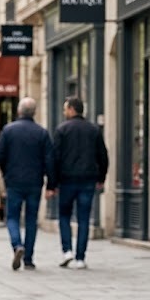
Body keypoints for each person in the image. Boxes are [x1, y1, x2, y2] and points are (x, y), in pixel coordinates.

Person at [0, 97, 55, 271]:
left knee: (12, 216)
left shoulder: (8, 130)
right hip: (35, 182)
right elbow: (50, 160)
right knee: (31, 219)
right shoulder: (41, 133)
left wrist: (7, 171)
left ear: (19, 111)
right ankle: (28, 258)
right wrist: (50, 183)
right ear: (34, 113)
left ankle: (16, 245)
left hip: (14, 181)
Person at [52, 96, 109, 269]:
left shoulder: (62, 130)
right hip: (88, 180)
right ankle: (80, 258)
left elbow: (55, 158)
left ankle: (67, 250)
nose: (64, 112)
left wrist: (53, 183)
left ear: (71, 109)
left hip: (67, 180)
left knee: (64, 216)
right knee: (84, 218)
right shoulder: (93, 130)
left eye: (65, 108)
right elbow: (103, 156)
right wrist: (101, 178)